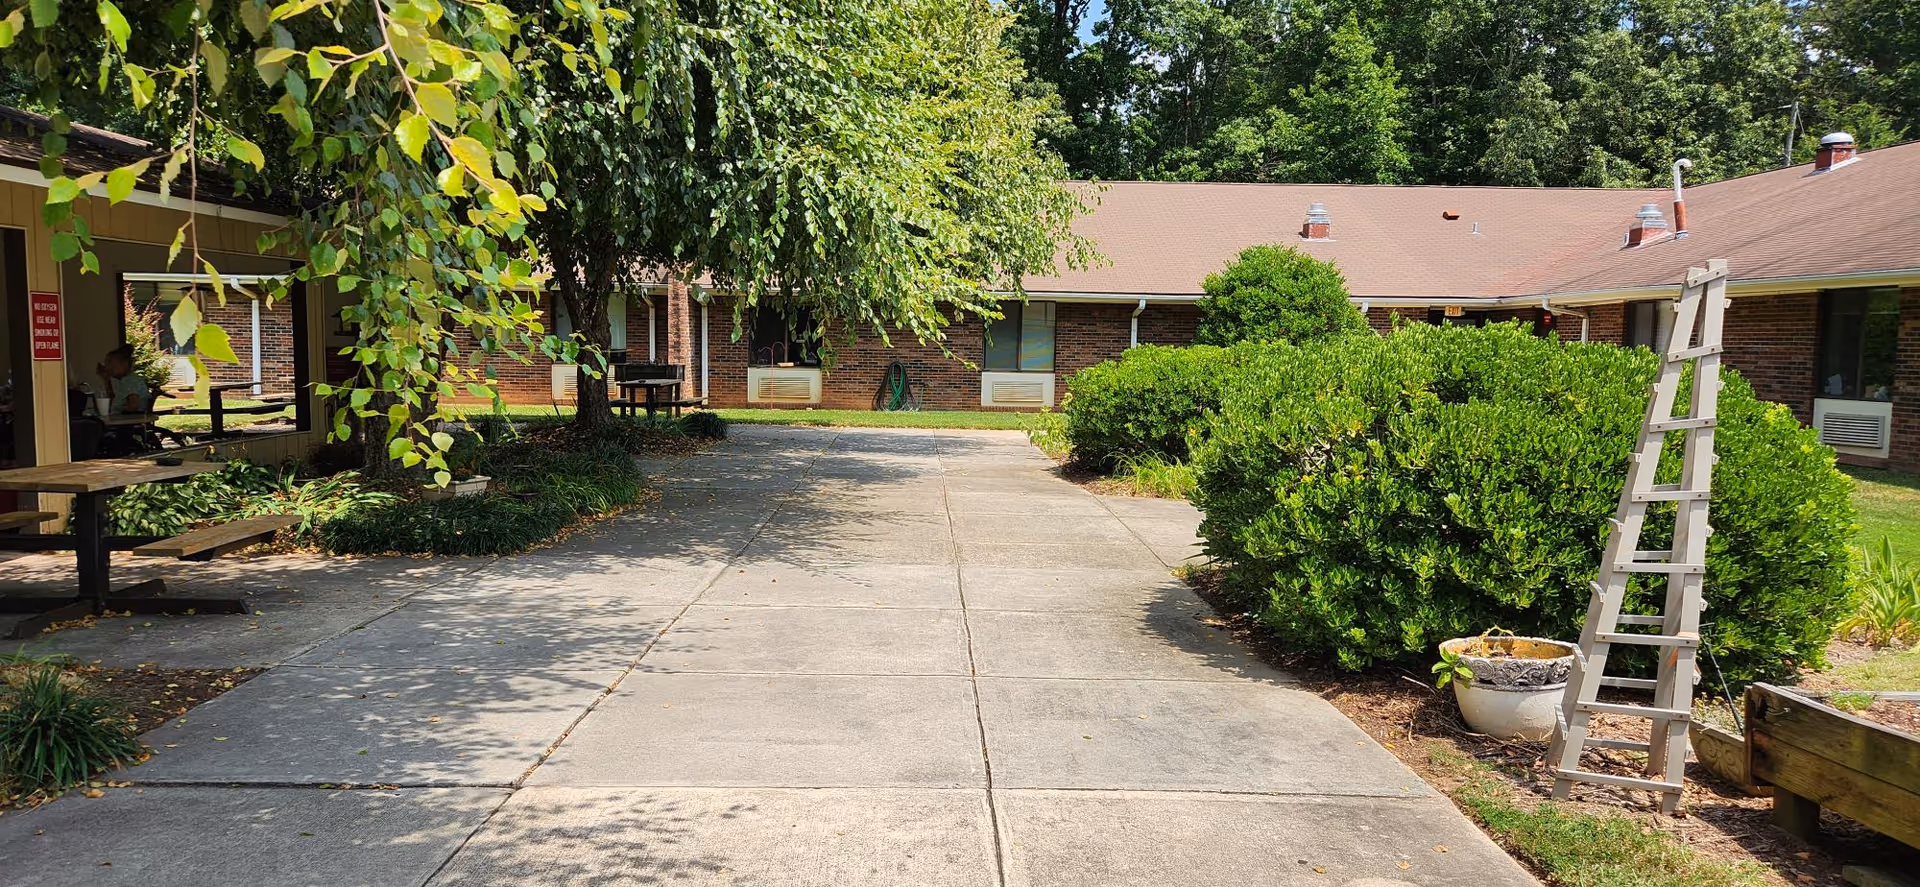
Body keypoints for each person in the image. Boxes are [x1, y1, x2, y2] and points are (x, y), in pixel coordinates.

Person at [95, 344, 150, 416]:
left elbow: (133, 406)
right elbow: (113, 404)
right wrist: (106, 380)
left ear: (125, 364)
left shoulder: (131, 381)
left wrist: (117, 418)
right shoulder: (125, 381)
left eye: (111, 363)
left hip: (126, 423)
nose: (107, 367)